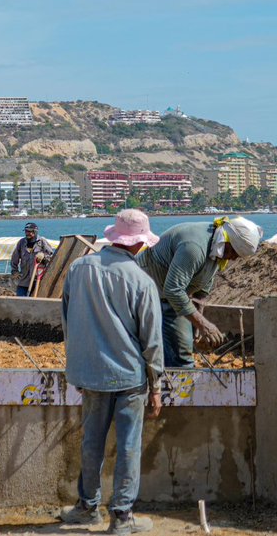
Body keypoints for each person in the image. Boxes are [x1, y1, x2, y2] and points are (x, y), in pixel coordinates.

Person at [59, 209, 162, 534]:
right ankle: (122, 518)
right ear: (139, 244)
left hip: (90, 374)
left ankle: (87, 508)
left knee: (91, 442)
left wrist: (77, 367)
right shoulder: (142, 281)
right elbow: (152, 339)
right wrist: (156, 384)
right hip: (130, 378)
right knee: (129, 446)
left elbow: (67, 320)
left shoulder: (78, 269)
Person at [137, 216, 262, 367]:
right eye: (234, 253)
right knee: (180, 358)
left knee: (179, 344)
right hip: (151, 290)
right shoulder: (194, 247)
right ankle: (177, 386)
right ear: (227, 242)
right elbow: (173, 290)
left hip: (168, 292)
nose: (234, 259)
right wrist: (204, 325)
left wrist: (196, 323)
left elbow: (202, 287)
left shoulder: (217, 245)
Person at [9, 222, 56, 297]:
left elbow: (52, 257)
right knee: (20, 302)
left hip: (38, 280)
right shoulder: (21, 243)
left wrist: (43, 256)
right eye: (26, 231)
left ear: (35, 232)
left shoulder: (42, 242)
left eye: (29, 231)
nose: (27, 233)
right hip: (24, 280)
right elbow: (14, 258)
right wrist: (15, 271)